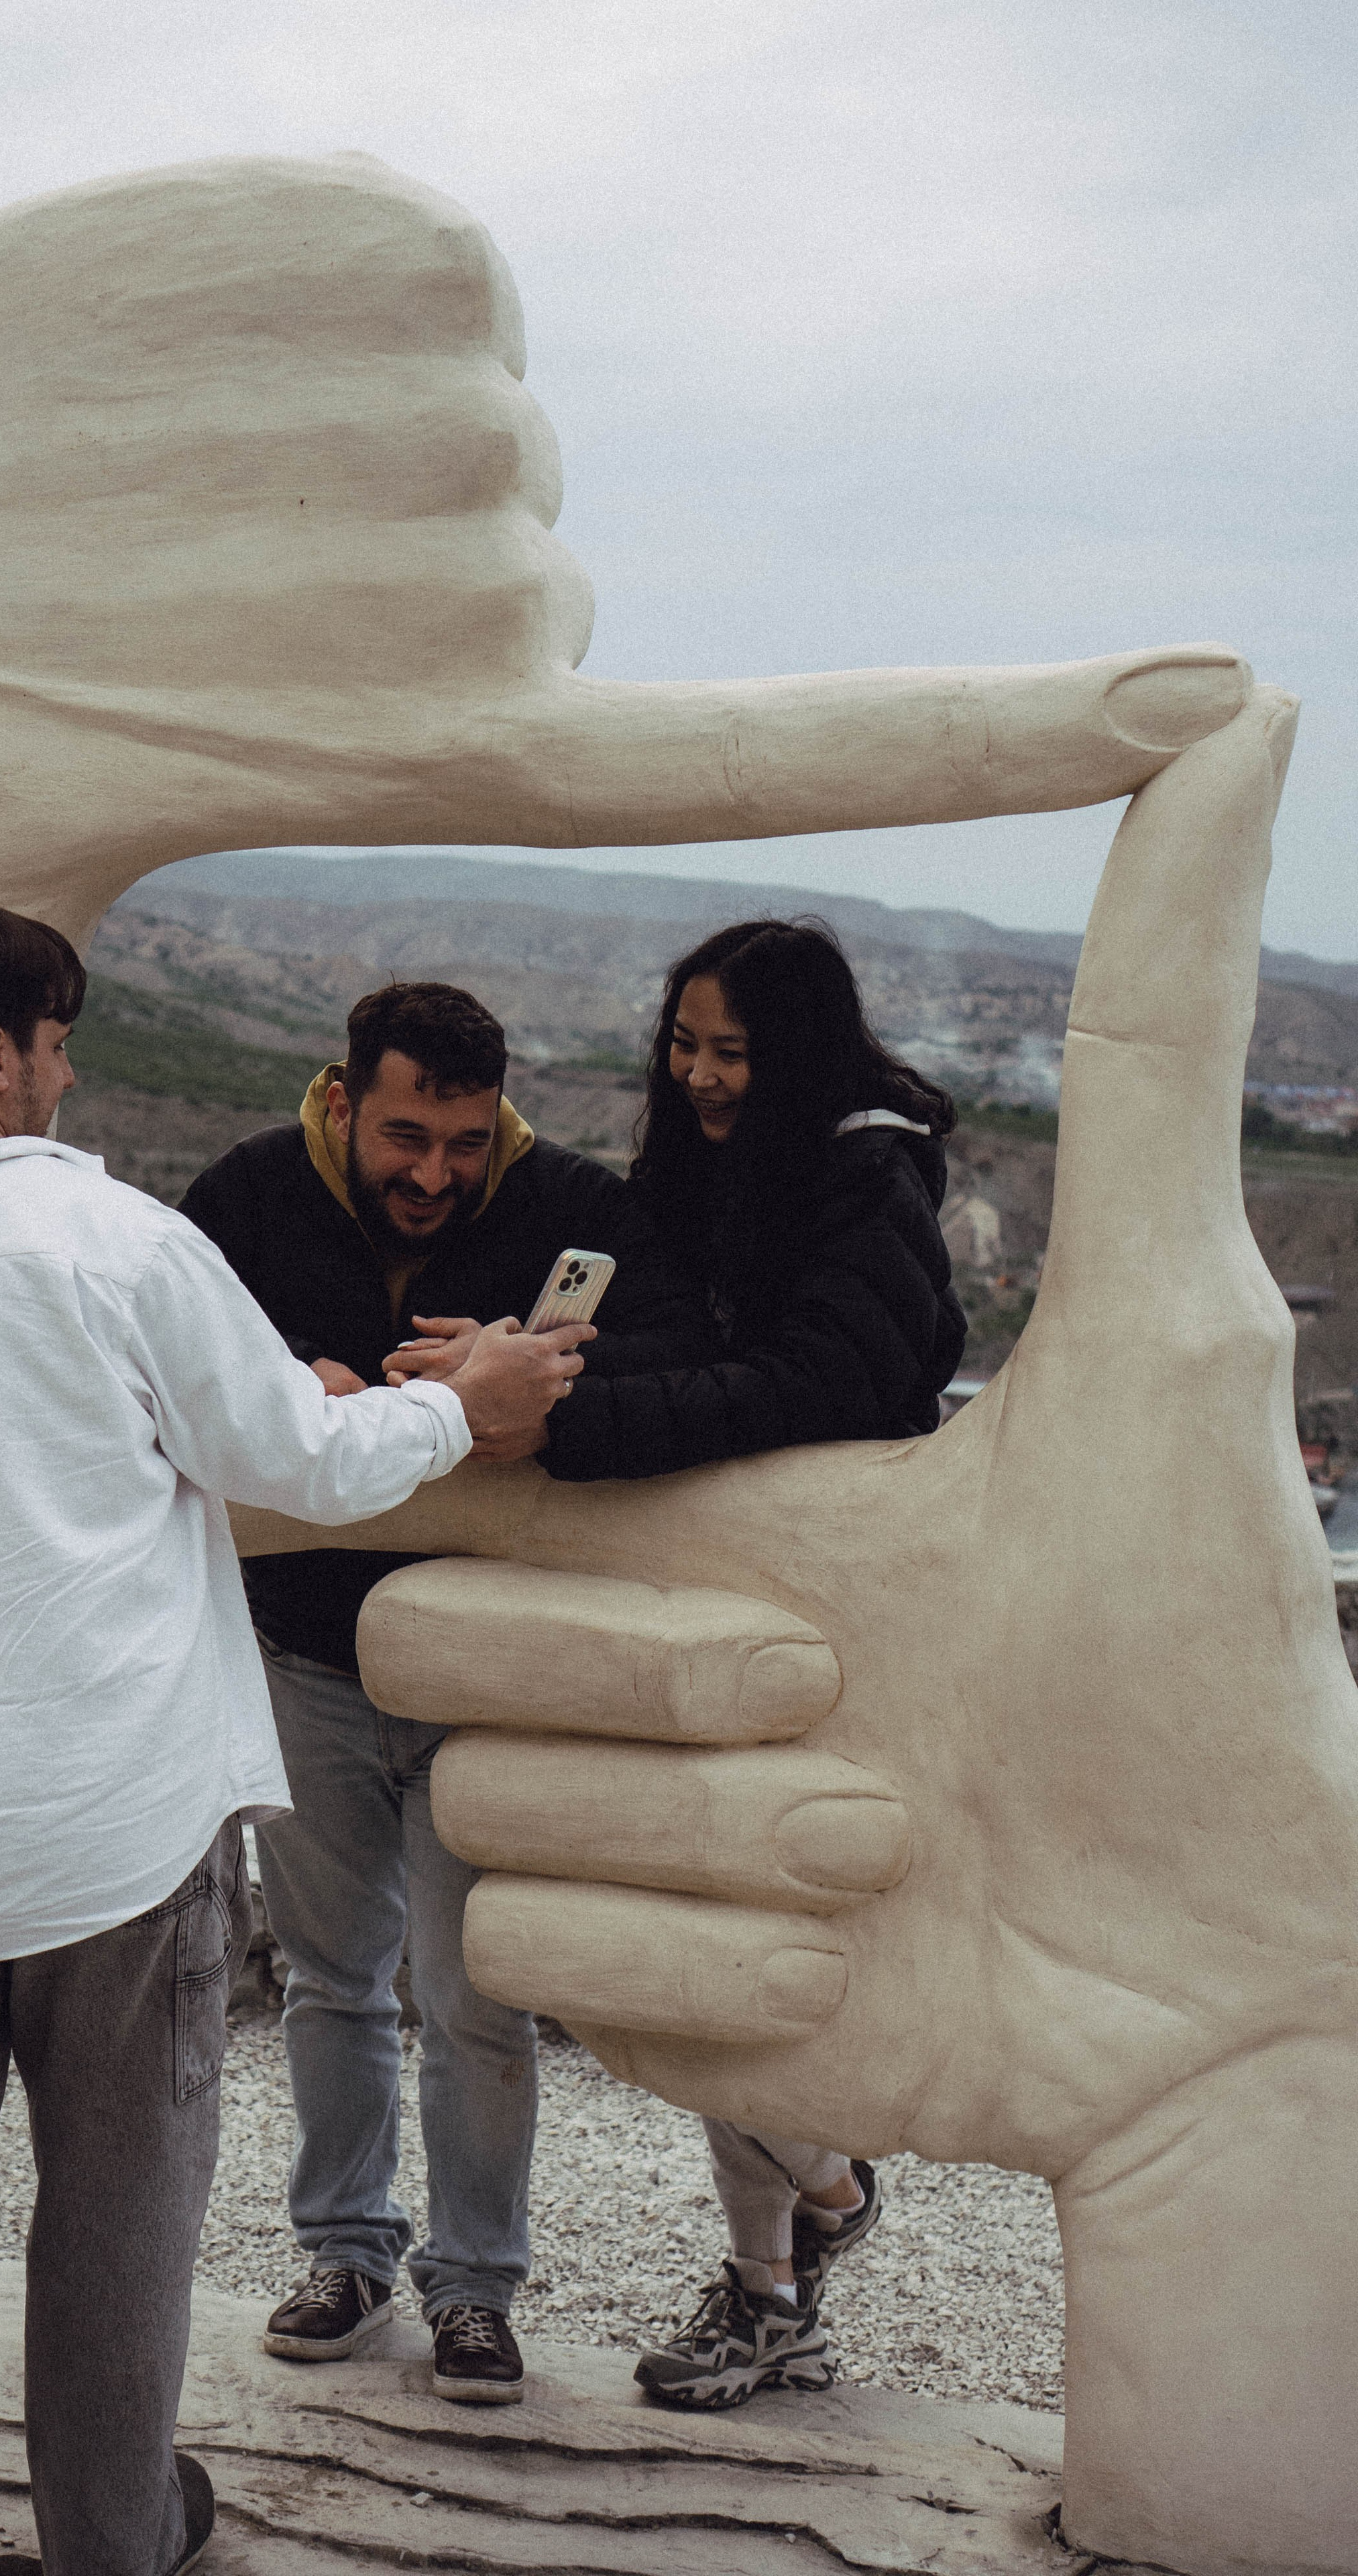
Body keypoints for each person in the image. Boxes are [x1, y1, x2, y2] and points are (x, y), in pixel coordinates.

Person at [0, 898, 585, 2576]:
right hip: (111, 1842)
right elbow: (303, 1455)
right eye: (60, 1042)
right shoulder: (116, 1247)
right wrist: (473, 1400)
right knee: (115, 2256)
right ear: (0, 1052)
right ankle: (114, 2540)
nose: (66, 1076)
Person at [393, 919, 966, 2412]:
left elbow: (821, 1382)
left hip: (835, 1617)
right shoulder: (712, 1165)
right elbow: (663, 1337)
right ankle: (796, 2244)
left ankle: (788, 2254)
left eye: (732, 1054)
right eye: (685, 1046)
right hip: (716, 1600)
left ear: (797, 1055)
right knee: (706, 1945)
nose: (702, 1080)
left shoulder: (864, 1173)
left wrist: (566, 1428)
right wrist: (518, 1365)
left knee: (756, 1957)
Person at [178, 981, 705, 2403]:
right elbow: (163, 1372)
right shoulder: (238, 1196)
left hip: (494, 1673)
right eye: (406, 1135)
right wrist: (297, 1382)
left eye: (464, 1144)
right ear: (342, 1100)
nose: (434, 1174)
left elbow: (680, 1351)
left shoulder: (576, 1204)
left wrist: (533, 1377)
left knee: (478, 1997)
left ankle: (475, 2287)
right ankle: (342, 2253)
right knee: (328, 1980)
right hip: (304, 1651)